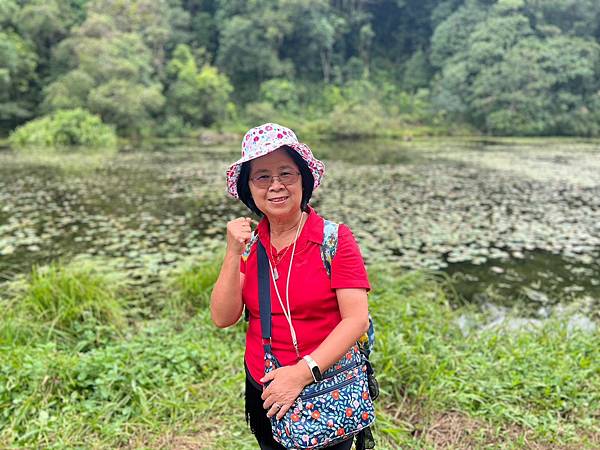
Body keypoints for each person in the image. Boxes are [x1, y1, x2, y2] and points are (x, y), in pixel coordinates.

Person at [211, 123, 371, 450]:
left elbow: (356, 320)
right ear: (248, 188)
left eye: (287, 173)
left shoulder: (335, 240)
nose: (276, 186)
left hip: (325, 387)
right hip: (264, 387)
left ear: (303, 180)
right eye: (262, 176)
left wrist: (302, 373)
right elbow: (223, 316)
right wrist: (231, 253)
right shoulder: (252, 245)